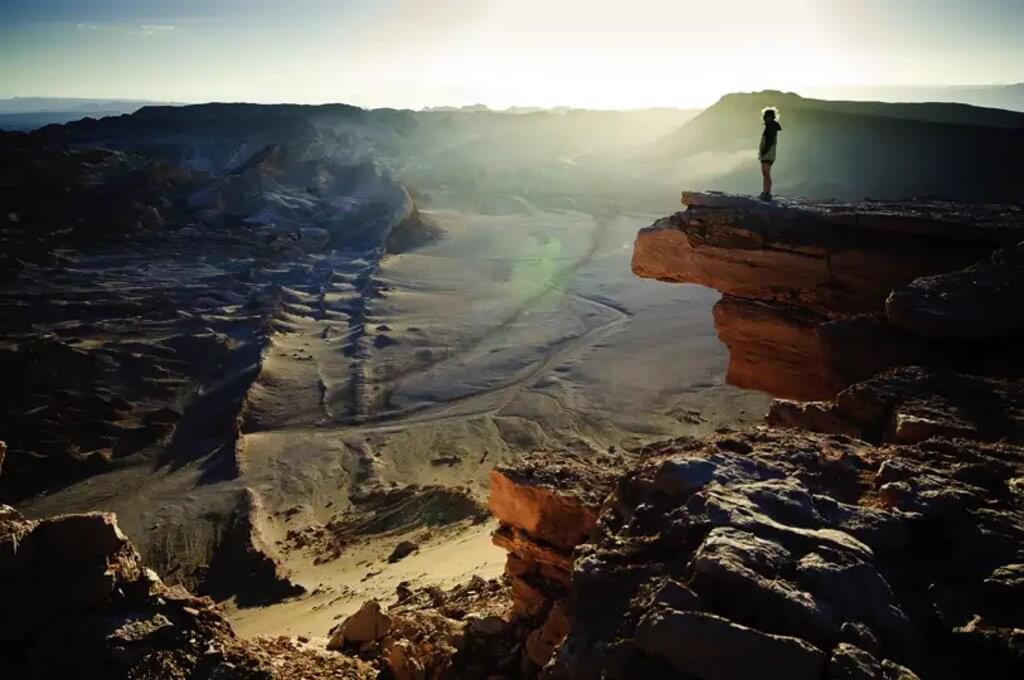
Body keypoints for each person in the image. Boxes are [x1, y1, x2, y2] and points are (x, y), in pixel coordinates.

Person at [758, 107, 781, 201]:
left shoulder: (770, 127)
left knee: (766, 173)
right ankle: (765, 192)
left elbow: (769, 141)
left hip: (768, 153)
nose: (765, 118)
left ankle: (767, 193)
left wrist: (763, 152)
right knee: (765, 173)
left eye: (767, 116)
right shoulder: (771, 126)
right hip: (769, 153)